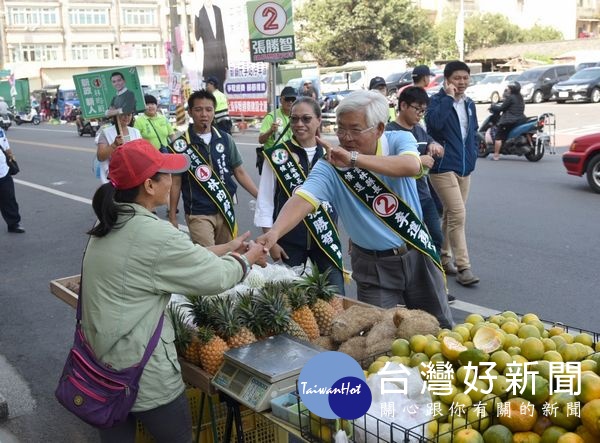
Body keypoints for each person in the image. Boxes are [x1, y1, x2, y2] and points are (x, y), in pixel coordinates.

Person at [82, 139, 267, 442]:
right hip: (144, 376)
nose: (172, 180)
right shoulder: (155, 233)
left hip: (102, 367)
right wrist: (247, 259)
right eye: (165, 174)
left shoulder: (110, 221)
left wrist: (231, 247)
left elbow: (181, 259)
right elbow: (216, 278)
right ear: (149, 186)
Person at [257, 90, 454, 329]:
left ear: (379, 129)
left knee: (438, 329)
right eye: (340, 128)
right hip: (372, 266)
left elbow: (411, 165)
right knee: (378, 338)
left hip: (417, 253)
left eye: (355, 129)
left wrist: (353, 160)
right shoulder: (330, 165)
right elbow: (303, 198)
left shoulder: (396, 140)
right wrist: (274, 232)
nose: (346, 137)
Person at [255, 97, 345, 295]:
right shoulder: (278, 155)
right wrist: (273, 241)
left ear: (319, 120)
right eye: (294, 119)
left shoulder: (334, 155)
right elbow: (266, 201)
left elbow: (345, 201)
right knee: (292, 300)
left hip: (325, 238)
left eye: (306, 119)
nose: (299, 124)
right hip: (289, 241)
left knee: (336, 296)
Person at [385, 86, 455, 304]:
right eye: (417, 109)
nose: (420, 114)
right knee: (406, 246)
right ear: (403, 105)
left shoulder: (419, 130)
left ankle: (436, 287)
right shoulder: (389, 132)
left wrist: (434, 146)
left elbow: (430, 142)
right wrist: (418, 161)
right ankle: (410, 288)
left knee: (435, 238)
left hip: (423, 196)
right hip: (402, 199)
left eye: (423, 111)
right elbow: (388, 164)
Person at [168, 89, 258, 247]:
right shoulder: (180, 145)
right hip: (198, 212)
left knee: (229, 257)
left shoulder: (225, 139)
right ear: (190, 112)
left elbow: (239, 171)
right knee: (208, 258)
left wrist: (260, 196)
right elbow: (175, 182)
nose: (204, 114)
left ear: (214, 111)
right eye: (198, 109)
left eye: (209, 109)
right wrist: (173, 216)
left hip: (224, 207)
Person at [425, 60, 480, 286]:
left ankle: (444, 258)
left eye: (465, 78)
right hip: (442, 167)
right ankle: (464, 266)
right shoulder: (437, 101)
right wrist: (448, 98)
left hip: (464, 167)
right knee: (458, 214)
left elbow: (473, 131)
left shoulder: (469, 104)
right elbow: (434, 124)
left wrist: (473, 154)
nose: (462, 82)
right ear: (447, 80)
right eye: (457, 78)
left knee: (450, 215)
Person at [95, 113, 142, 183]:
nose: (126, 117)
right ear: (116, 115)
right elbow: (100, 157)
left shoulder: (136, 132)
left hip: (133, 176)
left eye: (129, 115)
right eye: (123, 114)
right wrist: (114, 145)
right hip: (113, 178)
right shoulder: (106, 133)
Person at [194, 0, 228, 89]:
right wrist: (196, 18)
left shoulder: (217, 10)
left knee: (220, 91)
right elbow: (197, 36)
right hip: (209, 62)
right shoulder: (199, 13)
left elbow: (222, 36)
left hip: (220, 61)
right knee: (210, 92)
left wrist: (225, 63)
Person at [491, 81, 526, 161]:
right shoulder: (520, 97)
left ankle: (496, 155)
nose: (508, 90)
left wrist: (493, 106)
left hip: (509, 120)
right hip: (520, 119)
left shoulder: (511, 97)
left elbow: (501, 108)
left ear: (512, 89)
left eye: (509, 88)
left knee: (498, 136)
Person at [0, 128, 25, 234]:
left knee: (9, 198)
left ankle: (13, 224)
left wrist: (11, 157)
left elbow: (6, 146)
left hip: (2, 170)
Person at [258, 86, 295, 151]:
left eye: (293, 99)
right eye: (287, 99)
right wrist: (270, 131)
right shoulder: (271, 117)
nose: (290, 102)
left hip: (290, 156)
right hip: (273, 157)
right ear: (281, 100)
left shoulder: (297, 117)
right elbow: (261, 140)